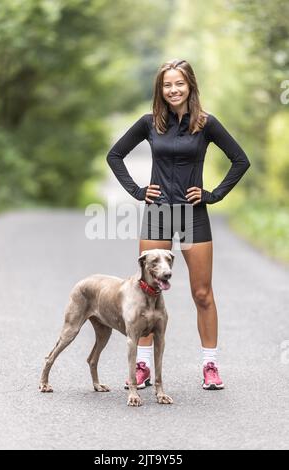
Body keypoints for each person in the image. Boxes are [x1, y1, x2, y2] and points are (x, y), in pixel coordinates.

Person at [106, 59, 251, 390]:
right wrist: (138, 191)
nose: (173, 90)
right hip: (157, 213)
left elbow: (240, 160)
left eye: (179, 84)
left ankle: (210, 366)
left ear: (190, 86)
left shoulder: (205, 124)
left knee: (202, 293)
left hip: (192, 214)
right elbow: (114, 156)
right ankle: (141, 367)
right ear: (160, 89)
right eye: (167, 85)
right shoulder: (148, 123)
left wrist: (213, 195)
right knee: (146, 293)